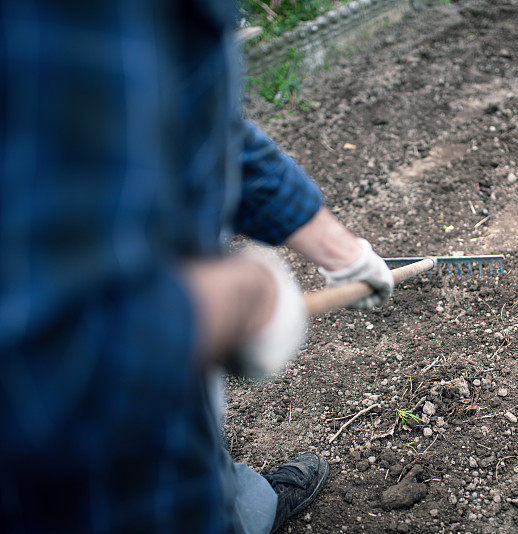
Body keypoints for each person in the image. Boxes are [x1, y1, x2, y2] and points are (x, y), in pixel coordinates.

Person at [0, 0, 393, 532]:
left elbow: (199, 124)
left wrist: (343, 251)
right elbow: (48, 365)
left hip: (171, 438)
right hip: (86, 500)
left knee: (238, 493)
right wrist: (250, 298)